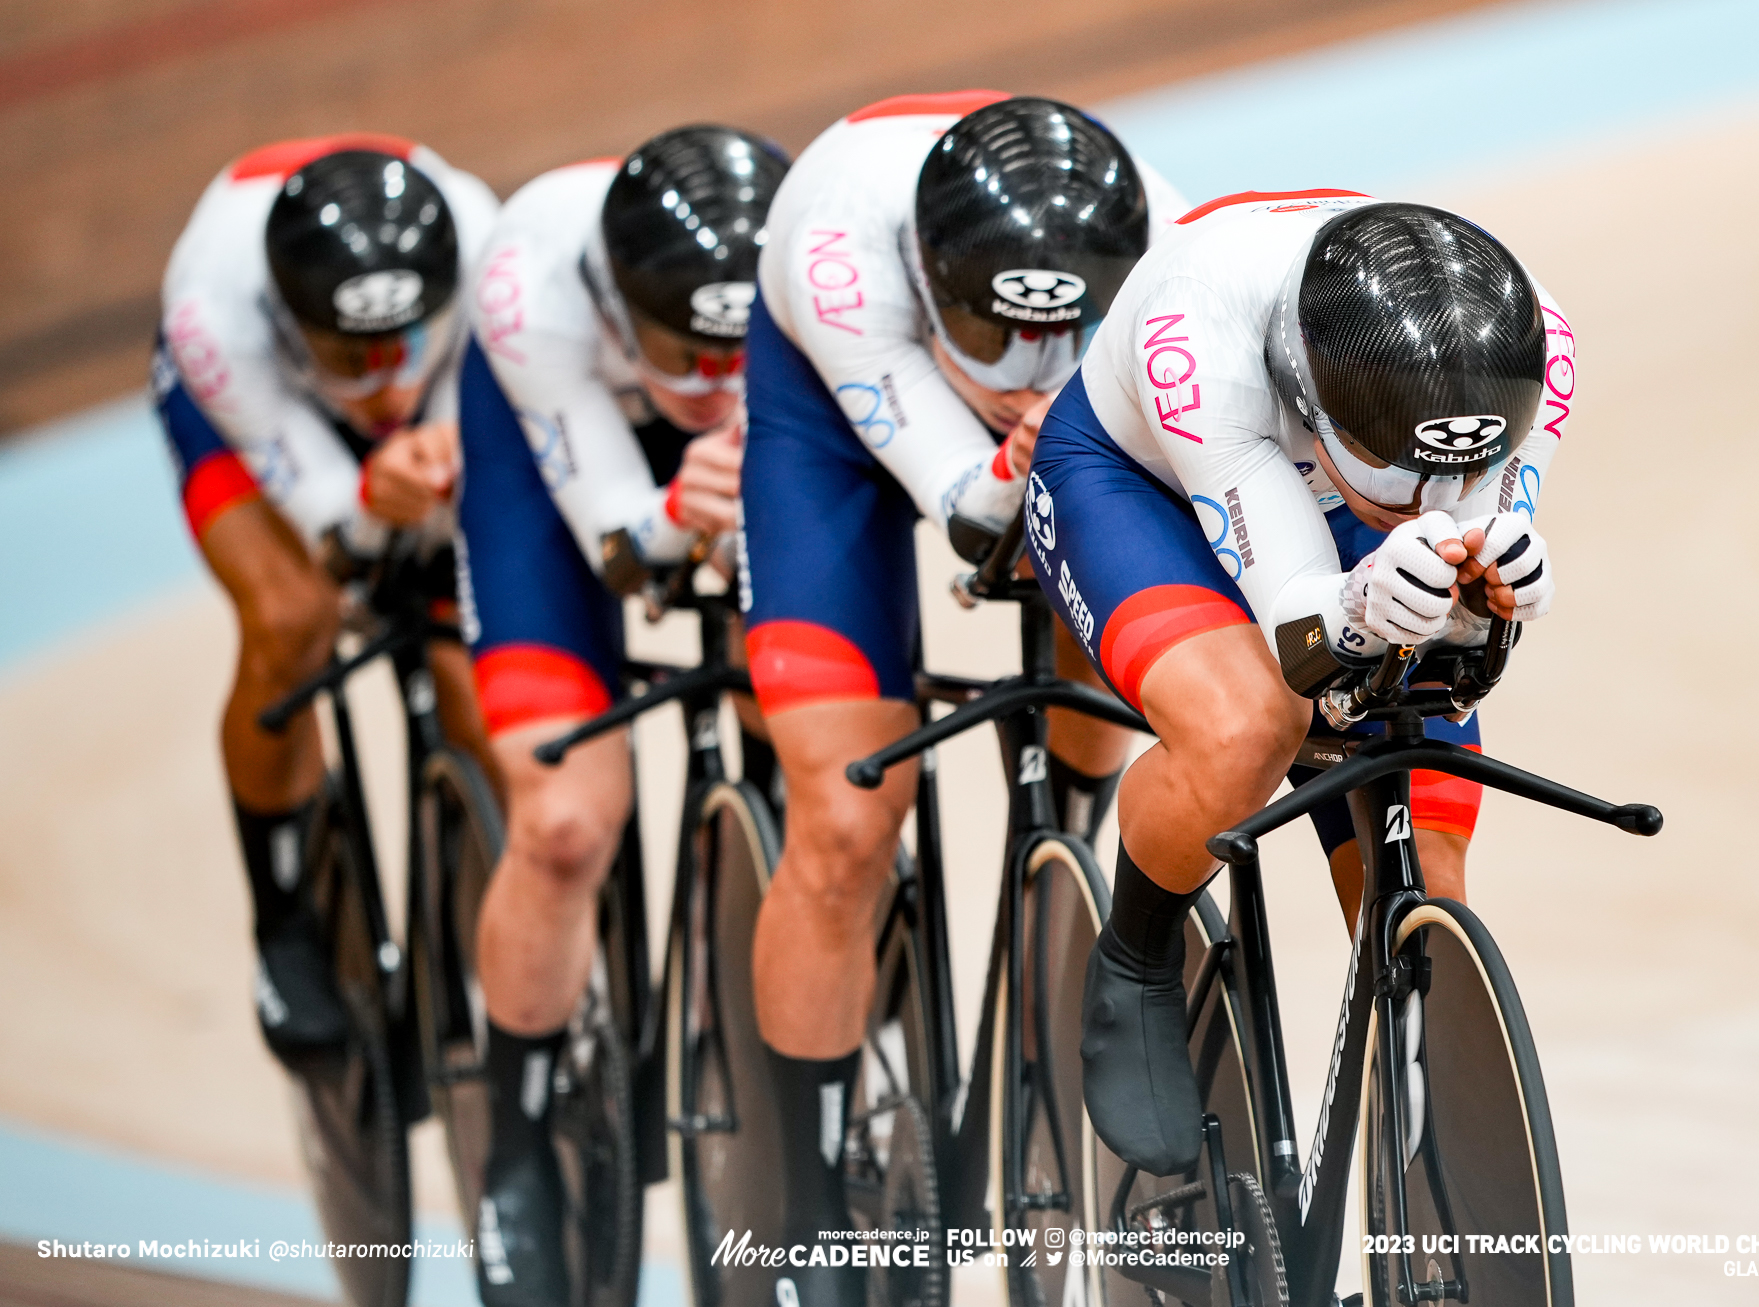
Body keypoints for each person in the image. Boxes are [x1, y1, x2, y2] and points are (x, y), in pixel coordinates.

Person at [1023, 192, 1572, 1176]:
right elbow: (1301, 628)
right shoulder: (1199, 335)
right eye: (1402, 480)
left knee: (1427, 879)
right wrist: (1365, 606)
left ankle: (1412, 1196)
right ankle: (1137, 951)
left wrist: (1490, 598)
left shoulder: (1532, 345)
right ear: (1313, 401)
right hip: (1139, 481)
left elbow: (1462, 544)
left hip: (1336, 470)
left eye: (1449, 476)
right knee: (1246, 729)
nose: (1426, 507)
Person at [737, 91, 1182, 1306]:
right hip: (827, 409)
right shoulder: (841, 261)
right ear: (928, 290)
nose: (1020, 376)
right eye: (991, 342)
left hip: (1051, 413)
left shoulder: (1167, 237)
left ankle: (1068, 854)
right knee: (841, 822)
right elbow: (975, 508)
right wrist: (1008, 464)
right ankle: (816, 1219)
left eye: (1059, 337)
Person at [453, 124, 788, 1304]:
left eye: (728, 347)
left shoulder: (793, 280)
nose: (704, 376)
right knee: (563, 822)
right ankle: (517, 1143)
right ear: (611, 298)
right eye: (677, 349)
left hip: (748, 435)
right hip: (559, 457)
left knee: (828, 754)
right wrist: (667, 515)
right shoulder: (529, 287)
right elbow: (619, 542)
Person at [153, 135, 499, 1066]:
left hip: (436, 393)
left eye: (402, 347)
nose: (383, 379)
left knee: (475, 659)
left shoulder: (481, 239)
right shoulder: (214, 318)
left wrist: (433, 463)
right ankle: (283, 925)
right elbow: (337, 533)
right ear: (292, 322)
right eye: (351, 356)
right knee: (294, 616)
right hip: (248, 414)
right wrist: (370, 505)